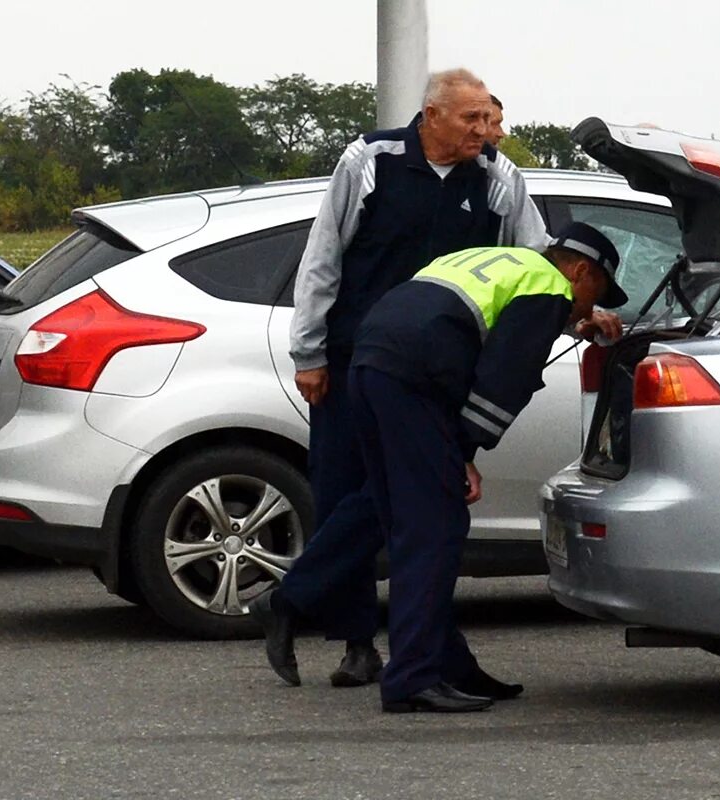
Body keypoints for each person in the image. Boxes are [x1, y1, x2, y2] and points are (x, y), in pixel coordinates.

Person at [261, 67, 620, 688]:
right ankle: (355, 640)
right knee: (353, 492)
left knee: (397, 503)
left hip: (433, 369)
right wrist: (309, 352)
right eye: (475, 120)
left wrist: (583, 319)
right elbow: (324, 256)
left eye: (492, 119)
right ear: (432, 117)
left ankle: (346, 618)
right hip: (356, 356)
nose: (489, 132)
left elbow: (541, 267)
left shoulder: (499, 178)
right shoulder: (371, 159)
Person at [343, 222, 627, 712]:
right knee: (435, 528)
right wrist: (465, 452)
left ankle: (448, 665)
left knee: (411, 525)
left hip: (371, 365)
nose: (588, 307)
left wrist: (572, 323)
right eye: (594, 294)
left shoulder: (501, 261)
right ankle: (411, 678)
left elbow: (483, 317)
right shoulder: (550, 286)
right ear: (580, 271)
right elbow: (503, 381)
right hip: (414, 380)